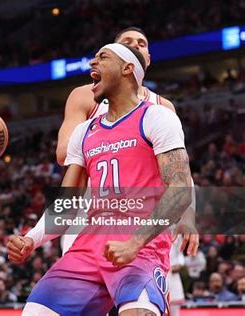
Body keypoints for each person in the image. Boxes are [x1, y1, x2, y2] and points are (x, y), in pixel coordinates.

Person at [18, 43, 192, 315]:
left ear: (127, 69)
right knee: (35, 312)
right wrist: (32, 238)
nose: (92, 63)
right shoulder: (84, 132)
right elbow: (66, 204)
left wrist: (134, 243)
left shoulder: (158, 117)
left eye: (102, 57)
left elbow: (180, 190)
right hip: (88, 247)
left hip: (141, 247)